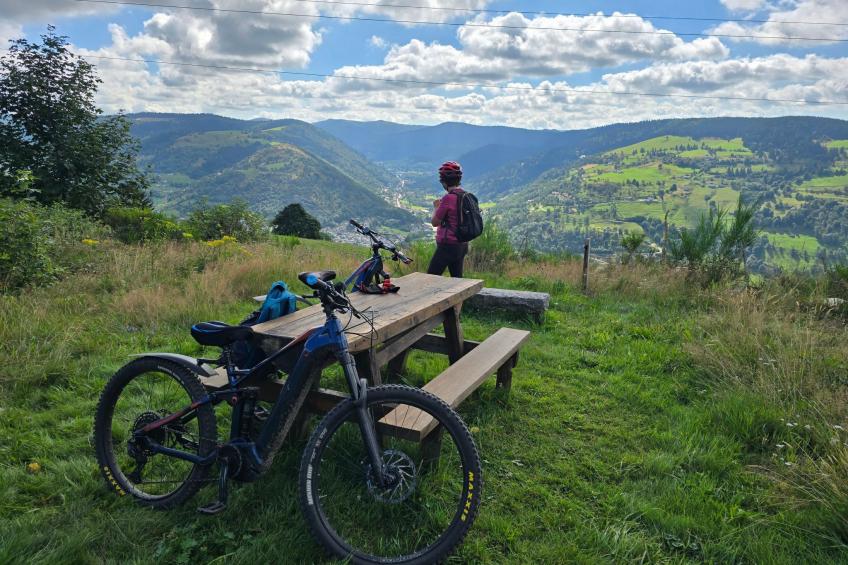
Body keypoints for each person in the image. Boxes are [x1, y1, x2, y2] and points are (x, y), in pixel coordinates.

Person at [427, 161, 468, 278]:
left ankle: (432, 297)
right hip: (462, 244)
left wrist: (436, 207)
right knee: (457, 280)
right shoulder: (466, 196)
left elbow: (435, 222)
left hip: (447, 245)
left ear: (444, 182)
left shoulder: (448, 198)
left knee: (430, 279)